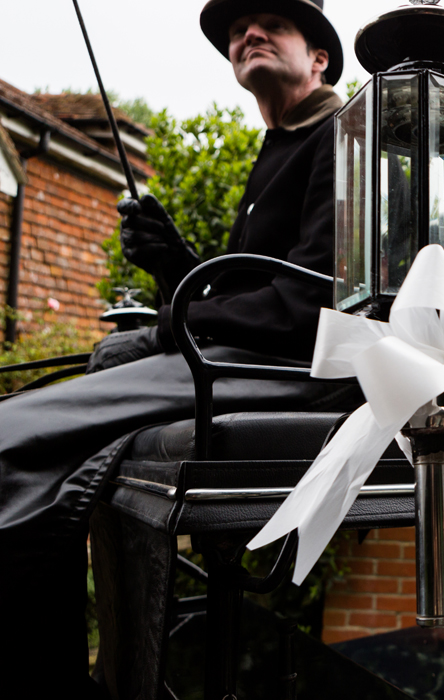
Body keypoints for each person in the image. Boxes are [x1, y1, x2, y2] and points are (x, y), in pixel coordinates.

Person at [0, 1, 355, 695]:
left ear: (318, 59)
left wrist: (174, 321)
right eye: (234, 32)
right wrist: (175, 260)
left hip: (293, 372)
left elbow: (307, 306)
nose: (245, 33)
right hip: (250, 358)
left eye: (269, 25)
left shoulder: (344, 134)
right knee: (98, 367)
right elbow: (251, 293)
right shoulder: (280, 146)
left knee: (12, 440)